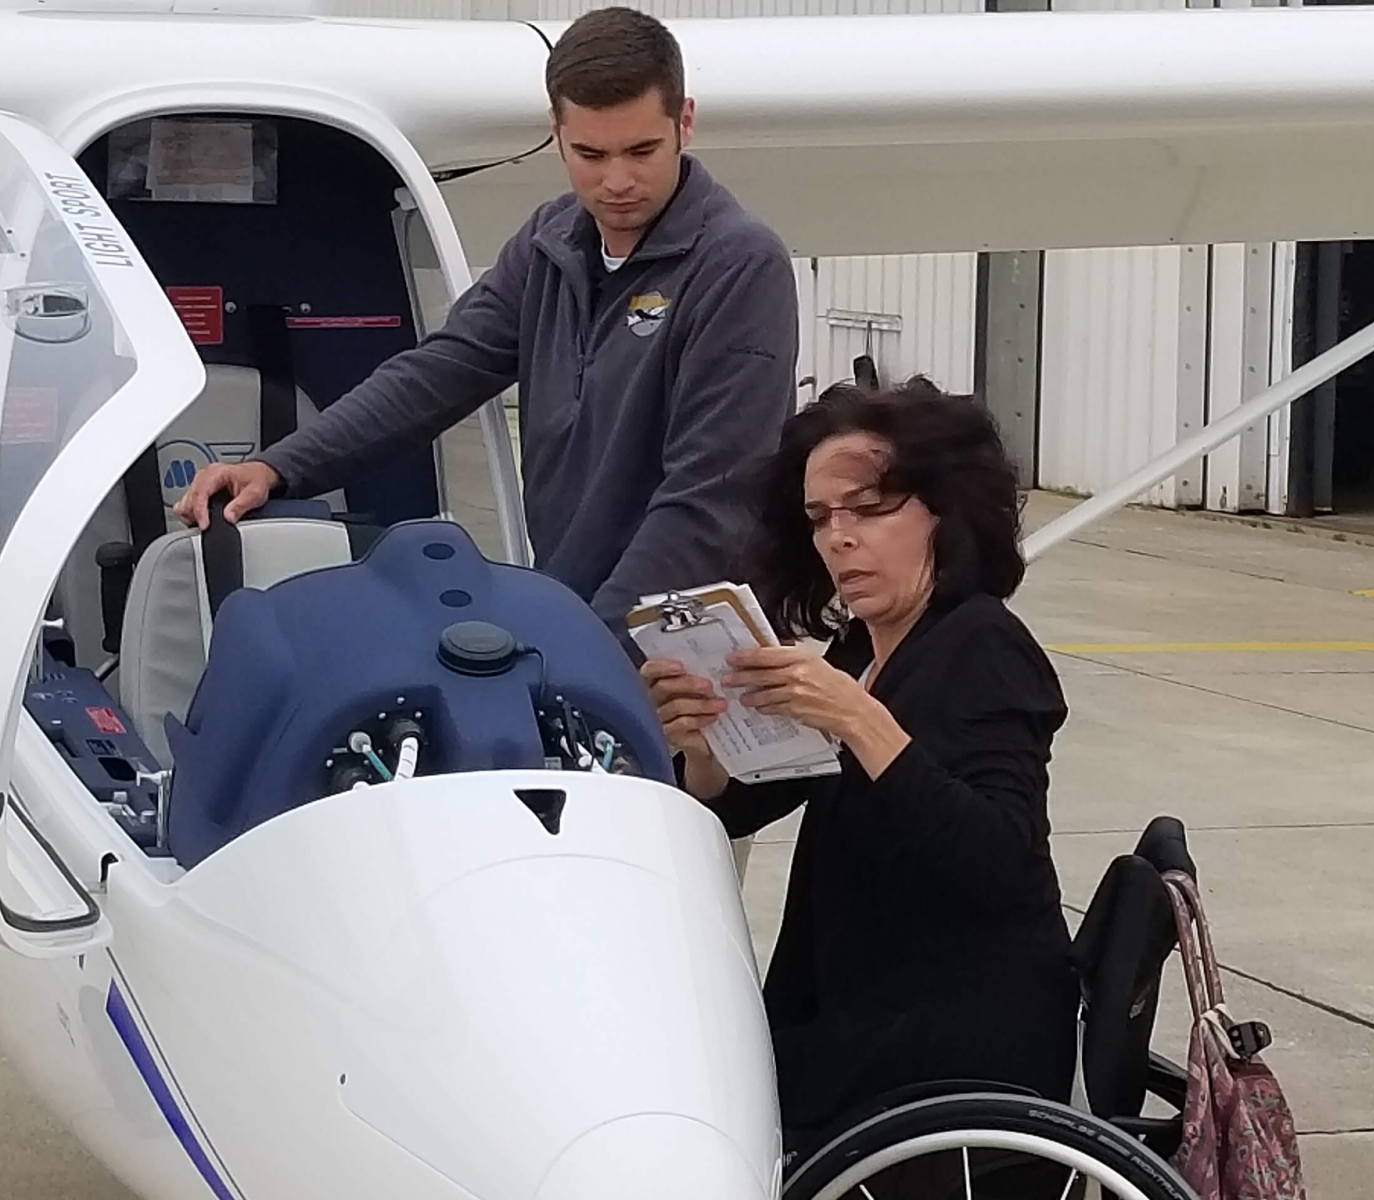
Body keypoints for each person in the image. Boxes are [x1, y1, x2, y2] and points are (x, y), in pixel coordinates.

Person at [173, 7, 798, 637]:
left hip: (683, 641)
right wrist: (280, 466)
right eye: (590, 153)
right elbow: (436, 373)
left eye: (642, 151)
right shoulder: (550, 245)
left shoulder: (740, 266)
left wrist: (597, 645)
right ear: (555, 132)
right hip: (572, 614)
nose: (617, 181)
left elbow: (709, 501)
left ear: (684, 122)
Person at [641, 377, 1079, 1156]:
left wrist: (856, 718)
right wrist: (706, 749)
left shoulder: (982, 645)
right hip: (862, 1007)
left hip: (942, 1043)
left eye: (869, 508)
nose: (839, 536)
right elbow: (757, 796)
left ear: (944, 510)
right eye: (820, 518)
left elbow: (1003, 863)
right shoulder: (861, 648)